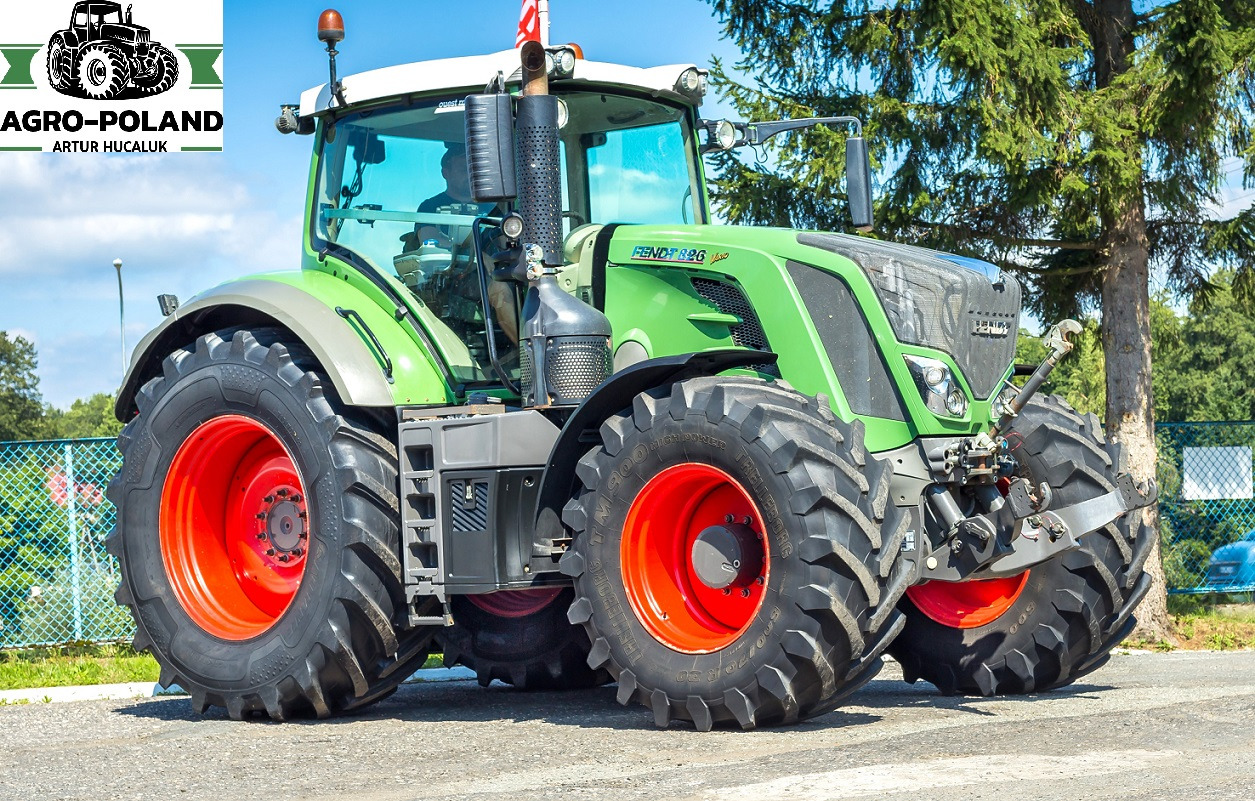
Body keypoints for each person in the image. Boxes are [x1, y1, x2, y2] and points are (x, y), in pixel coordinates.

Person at [404, 143, 519, 344]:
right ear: (445, 172)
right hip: (451, 279)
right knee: (501, 293)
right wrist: (479, 255)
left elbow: (506, 242)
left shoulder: (491, 208)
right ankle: (527, 354)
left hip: (492, 274)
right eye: (461, 169)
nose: (468, 174)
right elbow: (431, 241)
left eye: (470, 169)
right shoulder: (431, 206)